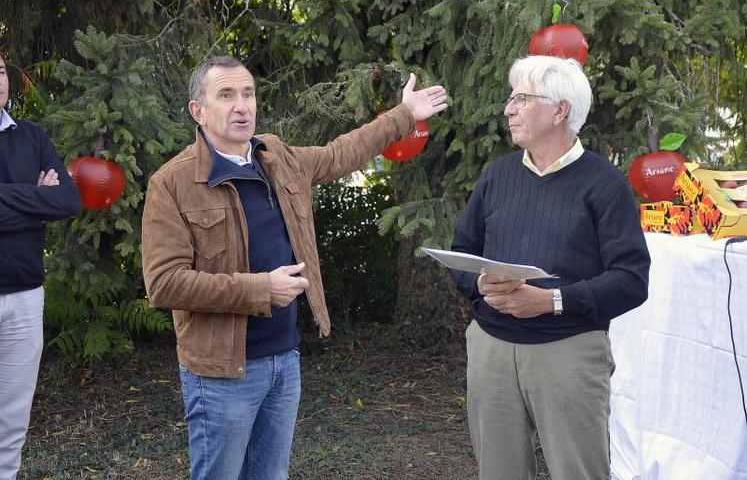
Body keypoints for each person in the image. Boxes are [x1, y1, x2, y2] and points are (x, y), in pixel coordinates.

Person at [141, 56, 447, 479]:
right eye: (226, 96)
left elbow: (343, 153)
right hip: (221, 372)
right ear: (199, 111)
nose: (241, 106)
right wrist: (260, 289)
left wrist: (404, 114)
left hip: (283, 361)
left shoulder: (278, 157)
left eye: (247, 94)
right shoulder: (172, 183)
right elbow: (164, 284)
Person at [450, 55, 650, 480]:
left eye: (521, 99)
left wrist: (552, 301)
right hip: (491, 348)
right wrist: (480, 284)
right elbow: (462, 250)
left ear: (560, 110)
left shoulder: (605, 184)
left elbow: (631, 280)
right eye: (511, 98)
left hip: (570, 351)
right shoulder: (498, 175)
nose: (508, 109)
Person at [0, 51, 82, 479]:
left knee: (12, 419)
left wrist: (10, 197)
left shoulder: (32, 137)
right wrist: (35, 199)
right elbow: (49, 202)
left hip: (26, 296)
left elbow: (67, 200)